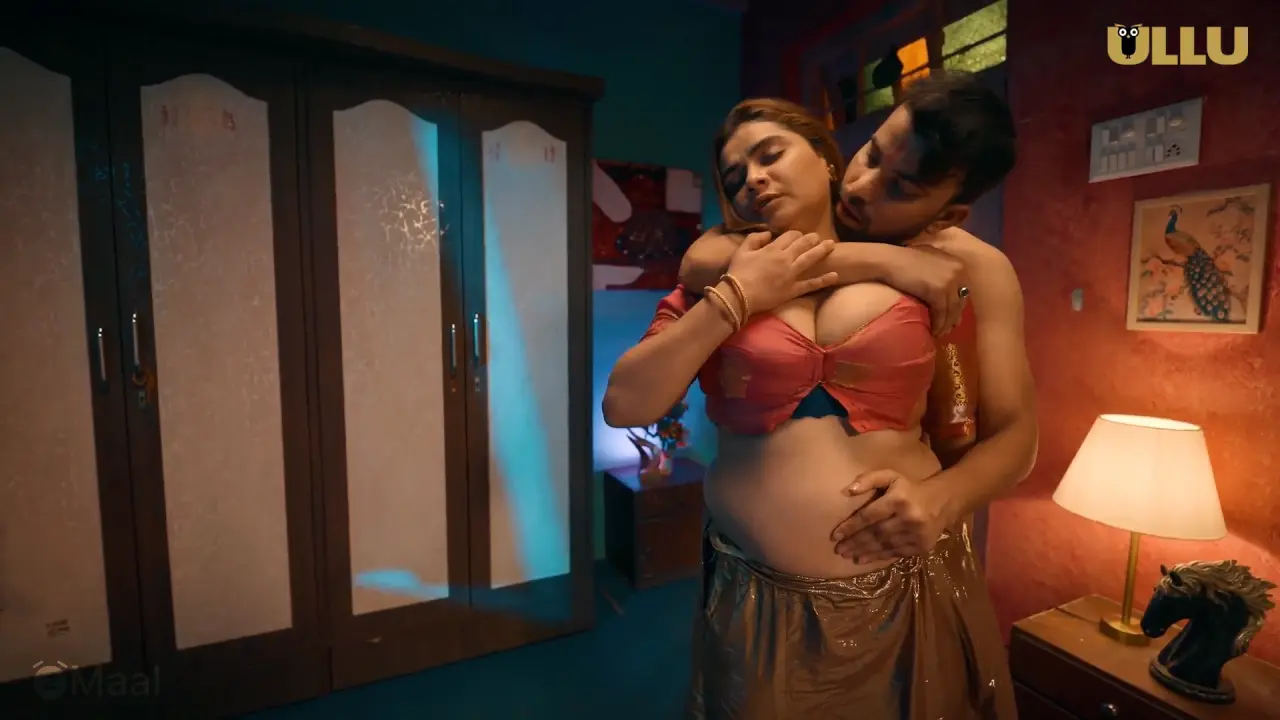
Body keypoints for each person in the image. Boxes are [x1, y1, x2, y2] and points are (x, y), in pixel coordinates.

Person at [603, 73, 1034, 719]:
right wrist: (875, 264)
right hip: (758, 593)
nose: (864, 185)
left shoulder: (966, 266)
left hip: (907, 584)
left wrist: (941, 499)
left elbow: (1018, 436)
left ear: (948, 213)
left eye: (901, 187)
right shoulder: (733, 257)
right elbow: (634, 387)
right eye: (872, 152)